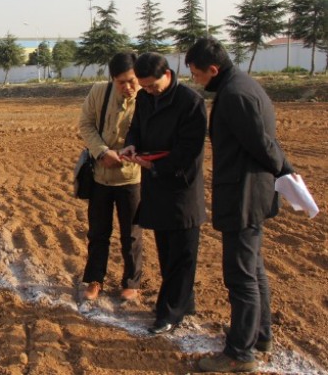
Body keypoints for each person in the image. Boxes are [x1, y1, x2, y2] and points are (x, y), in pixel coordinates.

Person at [186, 38, 295, 373]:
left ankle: (239, 353)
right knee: (253, 268)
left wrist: (286, 171)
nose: (196, 80)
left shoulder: (234, 94)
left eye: (197, 74)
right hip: (248, 192)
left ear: (213, 69)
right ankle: (260, 335)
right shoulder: (243, 85)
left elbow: (262, 143)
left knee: (240, 276)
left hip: (243, 195)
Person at [119, 52, 207, 334]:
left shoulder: (191, 102)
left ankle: (169, 313)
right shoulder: (146, 98)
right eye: (144, 86)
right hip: (155, 184)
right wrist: (132, 145)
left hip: (181, 187)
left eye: (152, 86)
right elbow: (136, 127)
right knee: (167, 251)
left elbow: (189, 151)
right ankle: (184, 303)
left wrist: (155, 165)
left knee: (182, 253)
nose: (148, 91)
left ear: (167, 75)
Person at [78, 52, 142, 302]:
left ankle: (131, 282)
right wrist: (102, 151)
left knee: (132, 234)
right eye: (121, 82)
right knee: (98, 232)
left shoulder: (147, 98)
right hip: (100, 177)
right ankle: (95, 280)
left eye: (131, 81)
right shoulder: (99, 92)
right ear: (112, 79)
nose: (127, 87)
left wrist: (132, 153)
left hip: (132, 178)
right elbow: (86, 124)